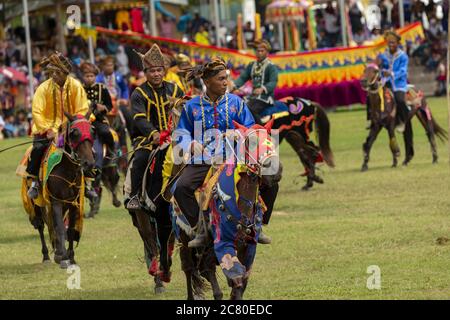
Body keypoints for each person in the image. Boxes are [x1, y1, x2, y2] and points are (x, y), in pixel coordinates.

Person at [173, 58, 271, 248]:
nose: (226, 82)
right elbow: (181, 133)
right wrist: (191, 143)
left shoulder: (237, 102)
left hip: (235, 157)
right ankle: (199, 228)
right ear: (207, 82)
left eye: (226, 78)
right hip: (204, 160)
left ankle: (259, 225)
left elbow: (251, 127)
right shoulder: (192, 106)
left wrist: (237, 132)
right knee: (181, 187)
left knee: (269, 178)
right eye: (221, 79)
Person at [126, 44, 184, 210]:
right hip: (146, 139)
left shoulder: (175, 90)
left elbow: (184, 110)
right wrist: (153, 133)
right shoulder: (139, 93)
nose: (156, 74)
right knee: (141, 158)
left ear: (164, 70)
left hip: (175, 137)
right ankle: (134, 196)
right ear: (146, 73)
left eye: (159, 70)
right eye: (152, 71)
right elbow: (139, 118)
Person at [26, 51, 89, 199]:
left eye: (57, 72)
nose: (53, 75)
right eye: (51, 72)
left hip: (71, 128)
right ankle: (35, 181)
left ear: (66, 72)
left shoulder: (76, 86)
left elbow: (82, 108)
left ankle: (89, 181)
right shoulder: (43, 88)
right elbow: (37, 111)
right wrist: (47, 129)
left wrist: (73, 125)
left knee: (87, 147)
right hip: (46, 130)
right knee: (38, 149)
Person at [378, 30, 414, 160]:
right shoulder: (383, 56)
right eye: (389, 42)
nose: (391, 44)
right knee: (373, 98)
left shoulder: (403, 56)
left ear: (398, 43)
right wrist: (383, 73)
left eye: (393, 42)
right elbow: (380, 69)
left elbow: (403, 71)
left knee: (399, 99)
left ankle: (403, 121)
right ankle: (372, 119)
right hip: (386, 83)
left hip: (399, 84)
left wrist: (392, 74)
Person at [231, 39, 279, 124]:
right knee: (239, 107)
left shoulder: (271, 67)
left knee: (249, 108)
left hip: (265, 98)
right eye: (258, 51)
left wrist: (262, 89)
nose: (259, 53)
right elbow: (243, 78)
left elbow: (273, 82)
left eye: (262, 51)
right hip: (253, 97)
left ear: (267, 52)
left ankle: (261, 128)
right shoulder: (252, 65)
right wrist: (233, 86)